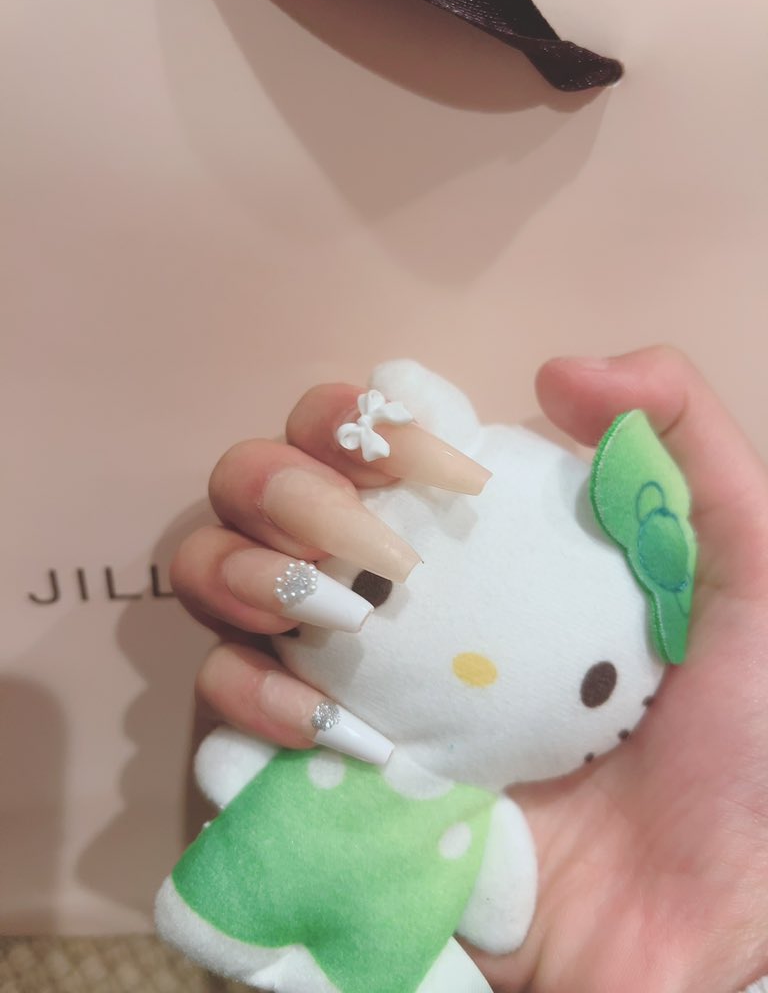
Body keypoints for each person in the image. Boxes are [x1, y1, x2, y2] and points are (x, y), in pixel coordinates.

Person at [169, 346, 768, 993]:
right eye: (375, 587)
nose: (478, 669)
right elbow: (502, 917)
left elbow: (502, 916)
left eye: (597, 685)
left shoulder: (489, 812)